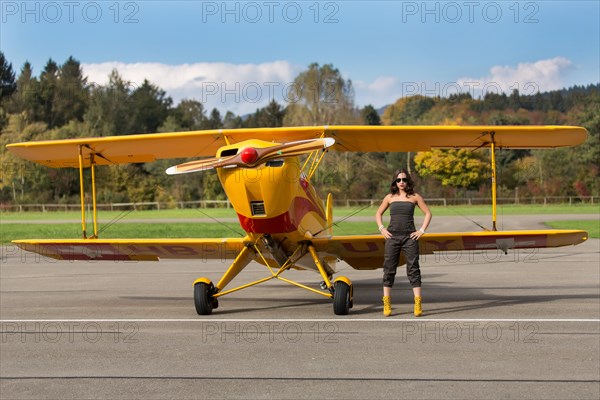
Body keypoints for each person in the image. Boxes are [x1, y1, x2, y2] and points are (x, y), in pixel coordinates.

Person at [375, 169, 432, 317]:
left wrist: (421, 230)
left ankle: (418, 303)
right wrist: (381, 228)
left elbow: (428, 213)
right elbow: (378, 213)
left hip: (410, 238)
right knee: (389, 269)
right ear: (395, 182)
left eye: (404, 180)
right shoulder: (389, 197)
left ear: (408, 182)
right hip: (392, 237)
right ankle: (387, 302)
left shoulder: (415, 197)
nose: (401, 182)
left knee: (413, 268)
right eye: (399, 180)